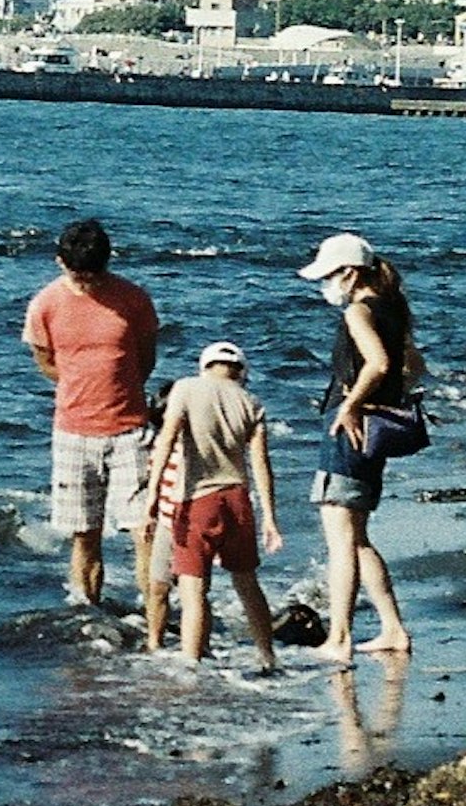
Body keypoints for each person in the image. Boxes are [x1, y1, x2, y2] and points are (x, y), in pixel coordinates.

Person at [23, 216, 158, 611]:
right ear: (60, 263)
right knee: (84, 535)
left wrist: (119, 389)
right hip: (73, 433)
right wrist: (81, 387)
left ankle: (155, 622)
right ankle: (87, 618)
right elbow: (45, 360)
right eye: (80, 276)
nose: (88, 284)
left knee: (145, 531)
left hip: (131, 430)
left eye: (95, 275)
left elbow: (145, 358)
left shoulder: (134, 299)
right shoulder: (45, 304)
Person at [297, 232, 418, 661]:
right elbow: (411, 368)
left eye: (329, 276)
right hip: (375, 431)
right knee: (359, 538)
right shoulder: (395, 309)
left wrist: (351, 405)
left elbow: (379, 364)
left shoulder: (359, 312)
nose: (326, 285)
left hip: (347, 430)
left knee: (341, 541)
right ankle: (392, 629)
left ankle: (340, 638)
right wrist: (382, 400)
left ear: (349, 273)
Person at [139, 342, 284, 672]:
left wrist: (152, 498)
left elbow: (166, 442)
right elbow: (261, 465)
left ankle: (191, 668)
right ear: (241, 372)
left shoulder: (186, 389)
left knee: (193, 592)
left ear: (205, 365)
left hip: (196, 500)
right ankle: (268, 656)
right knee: (247, 584)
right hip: (237, 500)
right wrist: (270, 519)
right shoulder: (251, 402)